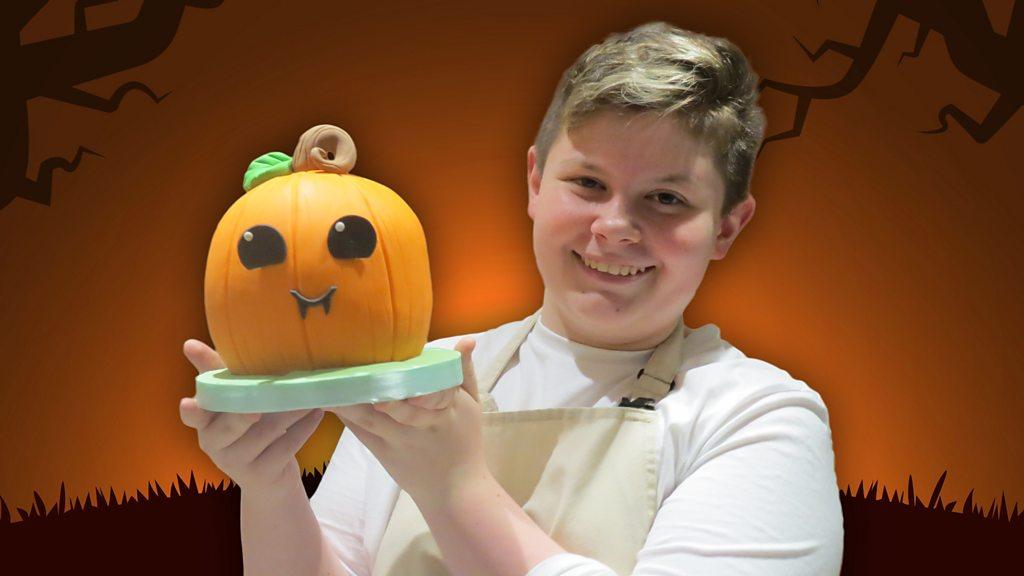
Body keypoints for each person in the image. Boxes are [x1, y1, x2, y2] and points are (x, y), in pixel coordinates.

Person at [180, 21, 844, 576]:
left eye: (666, 198)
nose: (614, 226)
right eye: (587, 183)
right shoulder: (417, 374)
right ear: (534, 180)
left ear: (726, 226)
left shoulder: (762, 417)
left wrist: (456, 488)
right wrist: (267, 487)